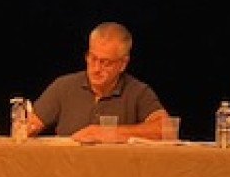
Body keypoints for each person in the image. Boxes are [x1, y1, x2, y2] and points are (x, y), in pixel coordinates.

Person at [28, 21, 168, 142]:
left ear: (123, 63)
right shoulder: (63, 86)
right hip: (68, 169)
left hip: (117, 171)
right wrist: (25, 127)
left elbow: (165, 129)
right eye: (92, 58)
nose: (96, 69)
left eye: (105, 63)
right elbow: (29, 125)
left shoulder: (138, 92)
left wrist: (109, 133)